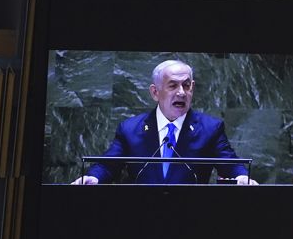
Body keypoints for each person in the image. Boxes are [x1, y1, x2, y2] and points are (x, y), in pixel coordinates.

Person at [73, 60, 254, 185]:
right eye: (173, 85)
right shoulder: (130, 129)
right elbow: (108, 165)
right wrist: (93, 178)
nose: (182, 93)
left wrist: (242, 177)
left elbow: (230, 164)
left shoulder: (210, 128)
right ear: (155, 92)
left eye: (186, 85)